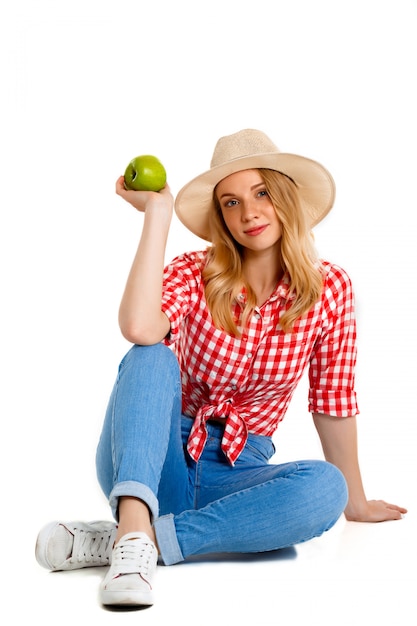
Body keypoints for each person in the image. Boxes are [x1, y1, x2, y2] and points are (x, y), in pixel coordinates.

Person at [35, 129, 407, 607]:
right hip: (152, 458)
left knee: (324, 488)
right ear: (220, 217)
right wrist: (157, 214)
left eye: (262, 193)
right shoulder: (195, 271)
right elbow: (138, 326)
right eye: (230, 203)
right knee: (151, 353)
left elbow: (333, 399)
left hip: (235, 475)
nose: (248, 212)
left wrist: (354, 499)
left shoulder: (329, 289)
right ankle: (134, 522)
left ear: (286, 199)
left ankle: (136, 540)